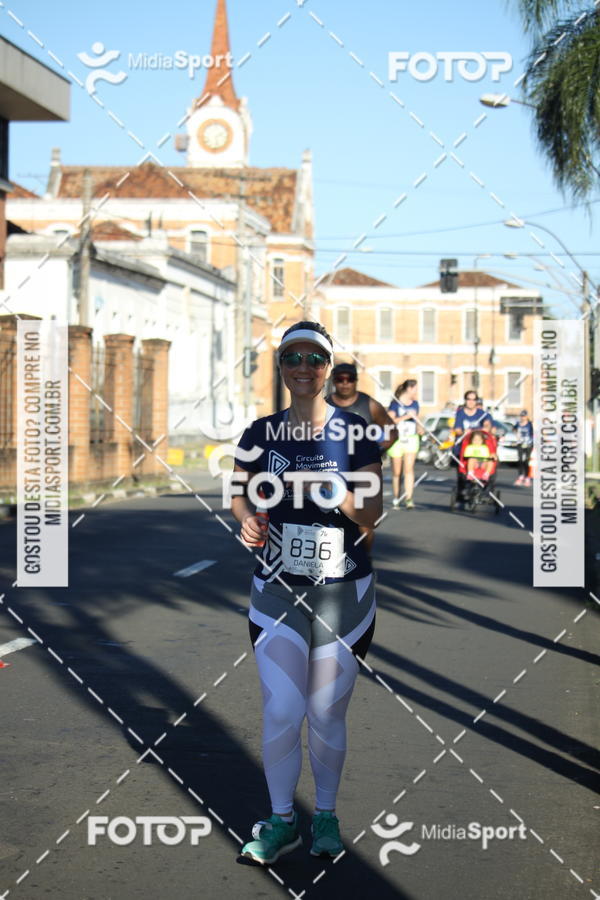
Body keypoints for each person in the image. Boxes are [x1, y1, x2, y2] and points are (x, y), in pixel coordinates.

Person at [231, 321, 383, 866]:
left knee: (324, 711)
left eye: (314, 359)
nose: (303, 367)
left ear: (327, 367)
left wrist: (335, 491)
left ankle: (324, 815)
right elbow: (240, 496)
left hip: (344, 595)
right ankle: (279, 822)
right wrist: (248, 522)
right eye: (292, 357)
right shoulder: (259, 432)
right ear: (281, 365)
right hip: (275, 592)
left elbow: (373, 514)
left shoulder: (358, 433)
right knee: (281, 710)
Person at [326, 362, 397, 552]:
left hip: (362, 471)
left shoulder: (370, 405)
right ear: (334, 381)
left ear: (356, 381)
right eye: (340, 379)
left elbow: (392, 431)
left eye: (349, 379)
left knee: (365, 522)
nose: (345, 383)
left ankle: (364, 560)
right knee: (327, 518)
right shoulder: (324, 404)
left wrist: (377, 452)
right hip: (332, 470)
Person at [386, 379, 423, 509]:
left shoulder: (416, 404)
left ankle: (409, 499)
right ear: (409, 389)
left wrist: (420, 427)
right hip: (397, 439)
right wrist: (405, 417)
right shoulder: (395, 404)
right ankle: (396, 497)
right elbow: (390, 421)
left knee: (409, 469)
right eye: (415, 389)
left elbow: (417, 419)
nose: (417, 392)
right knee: (397, 471)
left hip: (411, 438)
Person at [453, 390, 492, 462]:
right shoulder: (460, 413)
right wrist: (463, 432)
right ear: (465, 400)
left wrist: (484, 428)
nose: (471, 402)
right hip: (463, 445)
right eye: (468, 399)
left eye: (474, 400)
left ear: (476, 401)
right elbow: (457, 430)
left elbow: (487, 425)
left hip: (478, 445)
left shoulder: (482, 413)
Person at [514, 409, 534, 487]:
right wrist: (516, 435)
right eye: (521, 416)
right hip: (520, 443)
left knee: (527, 461)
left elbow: (533, 432)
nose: (523, 418)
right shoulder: (518, 424)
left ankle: (527, 477)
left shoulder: (530, 424)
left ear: (527, 417)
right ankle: (520, 476)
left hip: (528, 444)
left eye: (524, 416)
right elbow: (514, 429)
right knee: (520, 460)